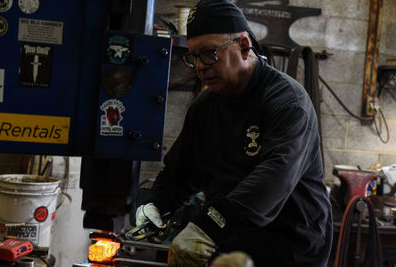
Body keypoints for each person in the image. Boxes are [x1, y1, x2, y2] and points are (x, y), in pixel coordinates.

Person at [133, 0, 333, 266]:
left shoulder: (287, 101)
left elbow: (274, 178)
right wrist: (153, 203)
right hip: (232, 245)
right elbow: (179, 173)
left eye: (208, 53)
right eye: (193, 56)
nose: (201, 66)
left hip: (290, 250)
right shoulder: (204, 108)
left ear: (243, 45)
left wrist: (207, 227)